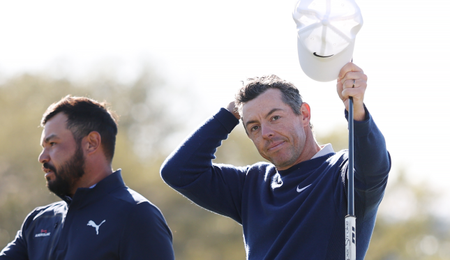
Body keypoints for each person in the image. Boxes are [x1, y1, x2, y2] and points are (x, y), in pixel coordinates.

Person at [160, 62, 391, 259]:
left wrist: (356, 109)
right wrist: (229, 115)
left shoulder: (341, 172)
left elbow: (374, 166)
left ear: (304, 114)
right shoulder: (251, 183)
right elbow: (179, 171)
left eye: (275, 117)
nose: (266, 132)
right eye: (254, 127)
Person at [0, 96, 175, 259]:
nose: (42, 157)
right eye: (43, 147)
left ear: (91, 143)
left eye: (52, 144)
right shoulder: (38, 221)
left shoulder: (137, 214)